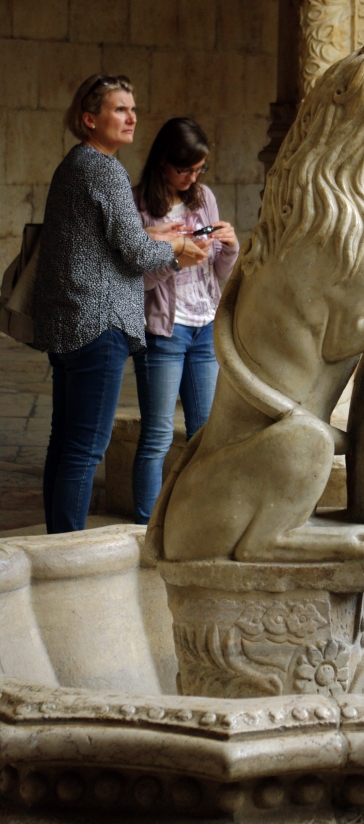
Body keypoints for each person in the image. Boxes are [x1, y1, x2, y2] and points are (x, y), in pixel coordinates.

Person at [34, 75, 207, 534]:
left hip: (69, 322)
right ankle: (69, 550)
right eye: (119, 109)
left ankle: (58, 541)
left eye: (132, 109)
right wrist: (177, 248)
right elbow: (136, 254)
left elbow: (102, 240)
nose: (131, 118)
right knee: (85, 448)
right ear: (90, 119)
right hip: (99, 322)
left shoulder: (75, 163)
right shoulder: (105, 169)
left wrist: (153, 236)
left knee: (64, 443)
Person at [131, 118, 239, 524]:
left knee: (205, 433)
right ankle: (145, 526)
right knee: (158, 435)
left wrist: (230, 246)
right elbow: (137, 279)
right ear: (163, 162)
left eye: (199, 169)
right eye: (185, 169)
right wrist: (175, 259)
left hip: (205, 325)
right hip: (165, 330)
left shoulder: (203, 198)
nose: (193, 178)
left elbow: (220, 271)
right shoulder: (138, 205)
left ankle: (197, 522)